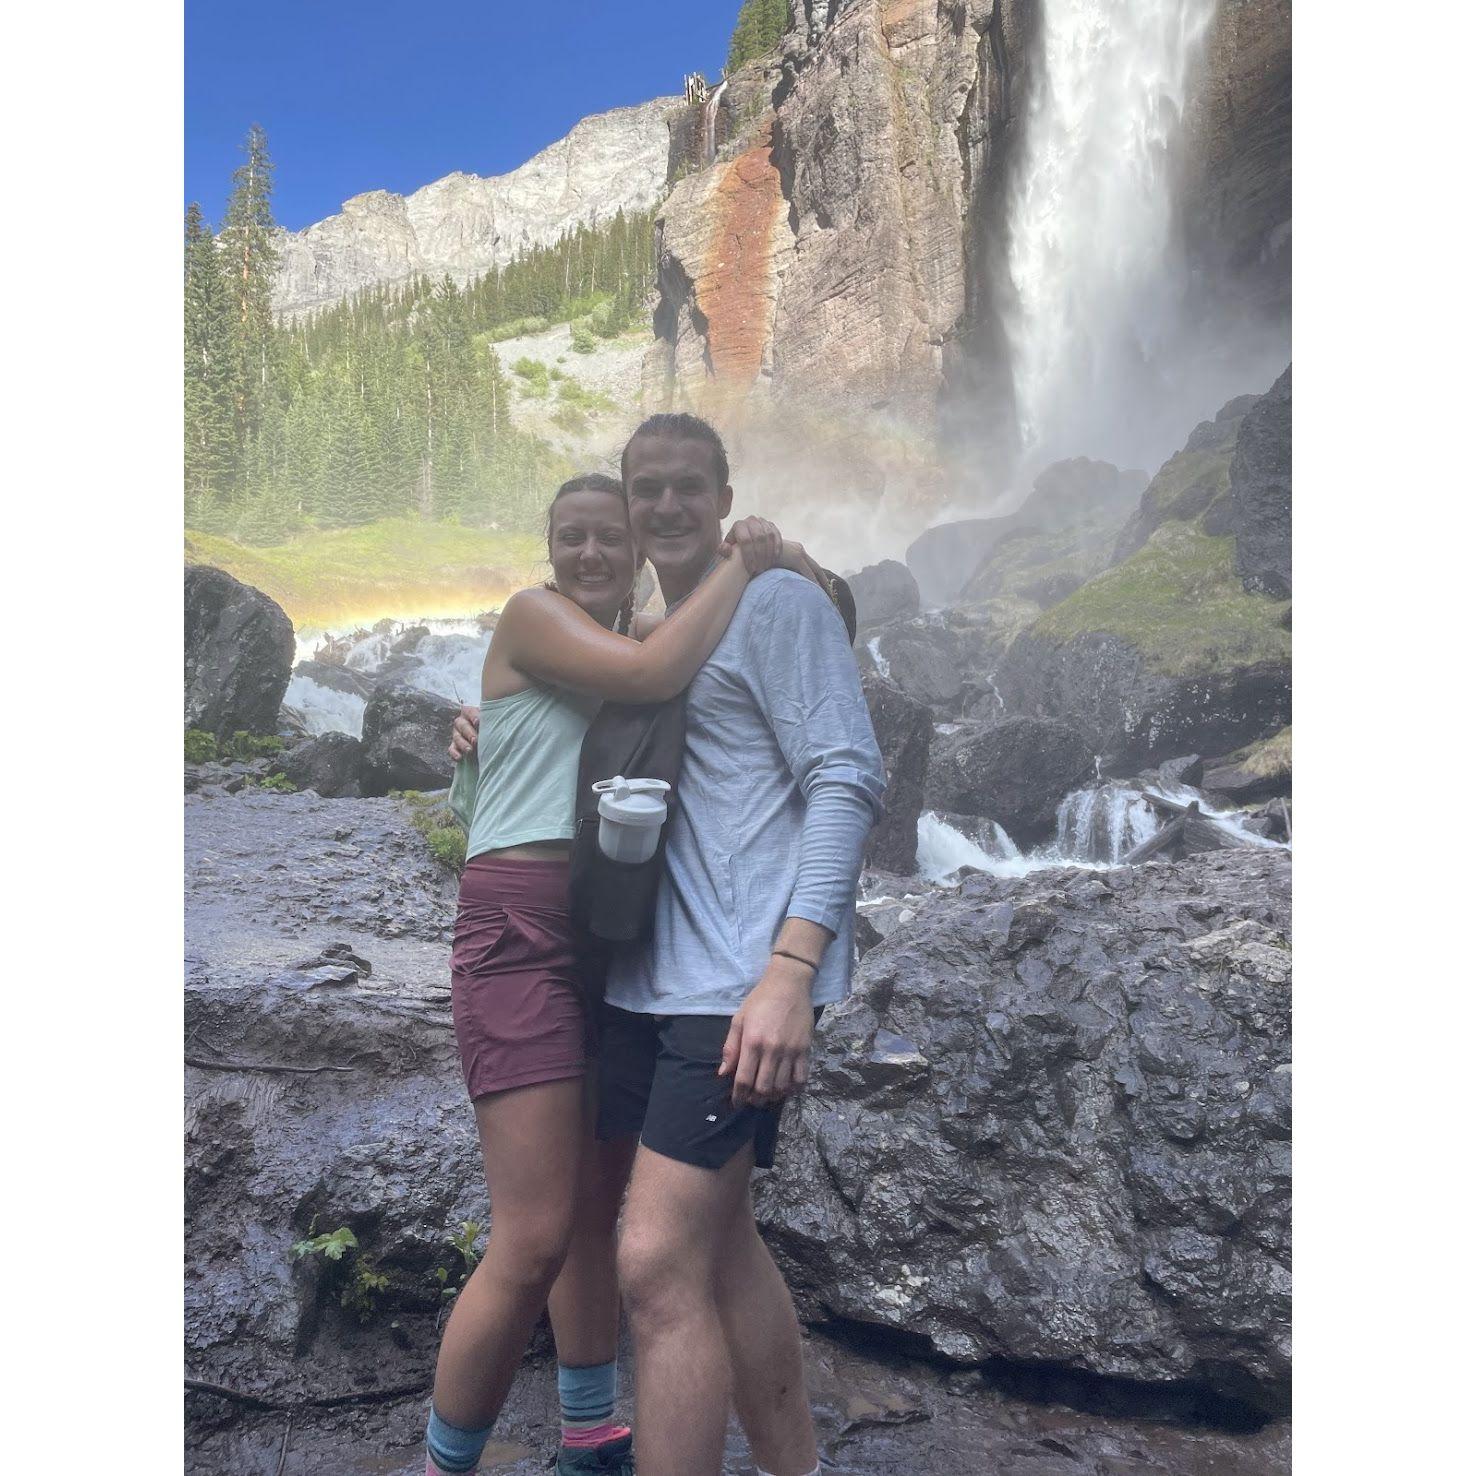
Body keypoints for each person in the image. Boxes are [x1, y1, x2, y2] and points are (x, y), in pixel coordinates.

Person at [451, 416, 885, 1476]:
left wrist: (791, 972)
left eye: (690, 487)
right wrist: (475, 736)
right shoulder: (662, 622)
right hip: (648, 978)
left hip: (736, 984)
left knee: (651, 1260)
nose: (666, 507)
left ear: (725, 495)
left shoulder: (775, 600)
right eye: (648, 490)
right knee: (720, 1246)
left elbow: (849, 775)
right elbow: (589, 699)